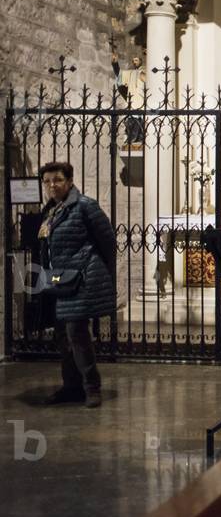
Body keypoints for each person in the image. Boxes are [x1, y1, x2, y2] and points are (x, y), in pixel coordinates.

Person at [38, 162, 117, 408]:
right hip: (60, 280)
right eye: (48, 181)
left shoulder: (85, 206)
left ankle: (92, 387)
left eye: (58, 180)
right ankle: (71, 387)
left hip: (81, 280)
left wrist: (94, 270)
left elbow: (108, 241)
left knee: (77, 333)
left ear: (70, 181)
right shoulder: (51, 210)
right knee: (62, 335)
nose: (52, 185)